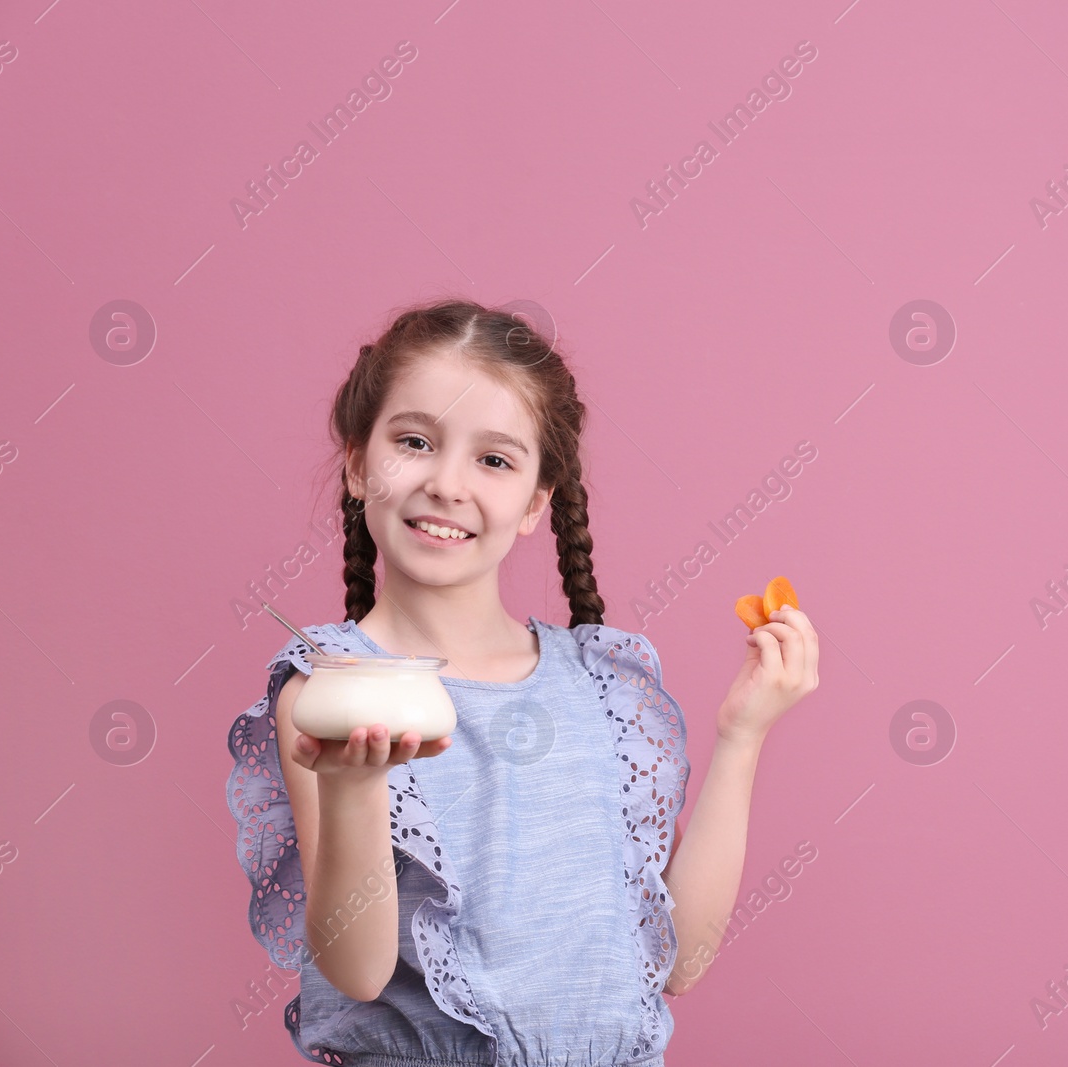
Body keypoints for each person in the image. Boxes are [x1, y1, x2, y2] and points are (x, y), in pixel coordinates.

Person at [225, 299, 819, 1066]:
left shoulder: (603, 683)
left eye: (494, 459)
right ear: (356, 462)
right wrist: (351, 788)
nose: (446, 483)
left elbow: (678, 964)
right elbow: (359, 971)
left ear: (538, 501)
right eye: (414, 441)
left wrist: (742, 735)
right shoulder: (331, 689)